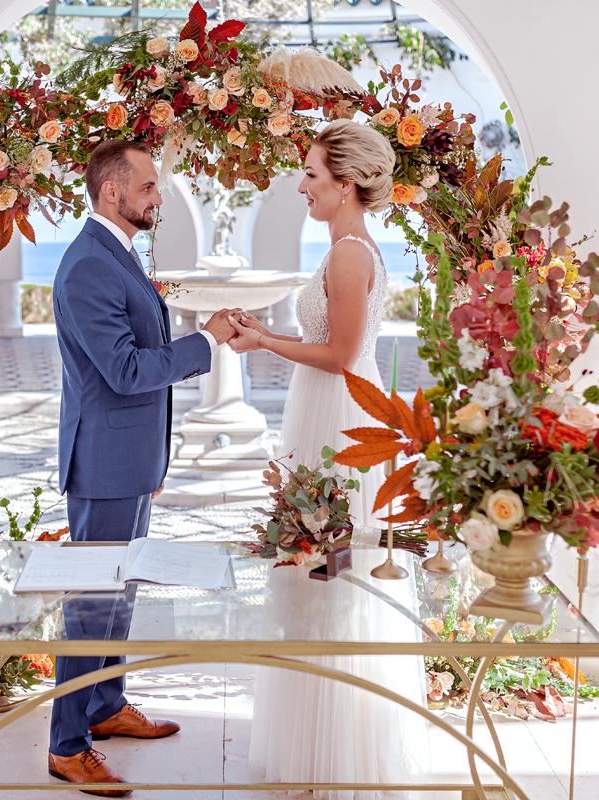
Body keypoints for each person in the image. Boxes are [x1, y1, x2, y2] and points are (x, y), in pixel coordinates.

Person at [229, 119, 429, 798]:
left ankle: (338, 743)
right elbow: (333, 345)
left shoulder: (348, 253)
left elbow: (340, 356)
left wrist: (264, 343)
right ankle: (319, 734)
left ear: (346, 185)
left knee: (330, 570)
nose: (302, 186)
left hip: (338, 414)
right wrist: (269, 334)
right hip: (329, 404)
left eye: (311, 175)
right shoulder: (349, 247)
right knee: (320, 566)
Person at [50, 139, 237, 796]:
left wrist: (153, 455)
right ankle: (66, 745)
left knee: (118, 592)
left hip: (128, 459)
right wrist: (206, 340)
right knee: (91, 605)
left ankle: (105, 705)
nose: (158, 197)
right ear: (112, 192)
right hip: (102, 463)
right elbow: (126, 370)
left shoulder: (114, 253)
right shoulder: (87, 266)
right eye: (149, 186)